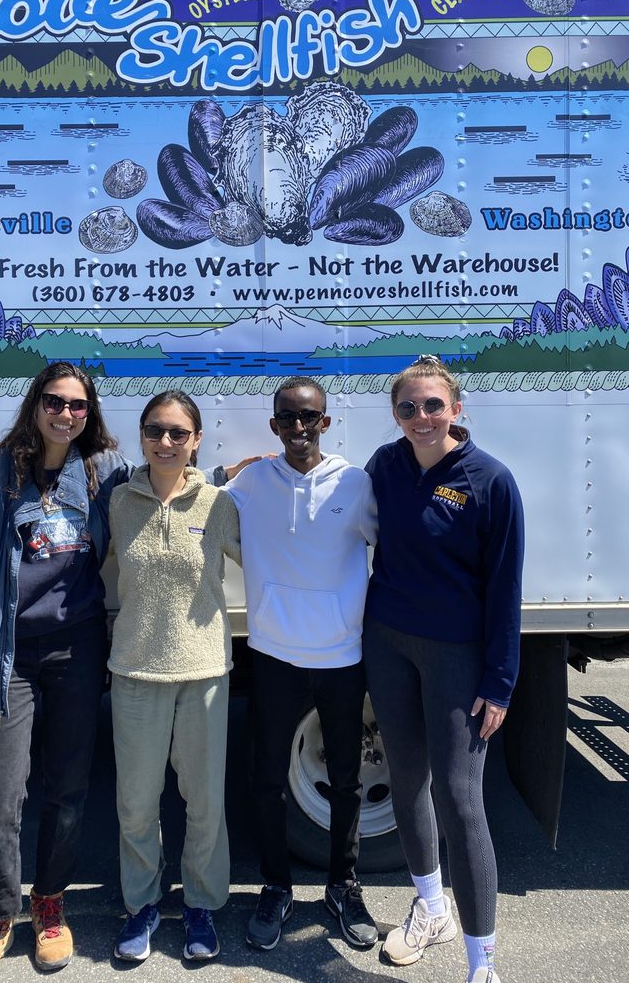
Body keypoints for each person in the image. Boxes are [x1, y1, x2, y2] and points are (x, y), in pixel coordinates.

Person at [0, 364, 234, 983]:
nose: (65, 413)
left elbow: (173, 493)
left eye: (77, 405)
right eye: (54, 401)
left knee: (68, 792)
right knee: (0, 795)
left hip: (78, 651)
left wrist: (235, 479)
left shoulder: (98, 477)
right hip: (9, 654)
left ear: (89, 415)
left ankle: (49, 907)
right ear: (35, 404)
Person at [362, 355, 524, 983]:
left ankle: (482, 964)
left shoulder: (490, 480)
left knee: (459, 799)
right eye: (408, 407)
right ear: (396, 415)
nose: (422, 417)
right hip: (389, 643)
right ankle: (432, 908)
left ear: (457, 409)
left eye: (433, 405)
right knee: (406, 780)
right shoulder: (386, 464)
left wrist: (500, 681)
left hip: (458, 654)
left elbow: (505, 589)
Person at [224, 376, 379, 952]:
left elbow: (397, 546)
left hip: (342, 656)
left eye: (308, 418)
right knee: (266, 781)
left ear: (326, 422)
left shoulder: (357, 483)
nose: (297, 429)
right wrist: (228, 469)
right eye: (286, 419)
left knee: (345, 779)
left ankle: (343, 885)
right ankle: (276, 886)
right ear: (273, 426)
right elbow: (195, 499)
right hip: (273, 655)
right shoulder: (251, 484)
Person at [107, 390, 241, 963]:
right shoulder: (116, 502)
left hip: (205, 671)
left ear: (197, 441)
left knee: (204, 801)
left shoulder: (218, 505)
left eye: (178, 433)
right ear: (141, 436)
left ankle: (202, 905)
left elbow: (273, 561)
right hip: (136, 669)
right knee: (136, 802)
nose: (166, 442)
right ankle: (142, 905)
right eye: (155, 431)